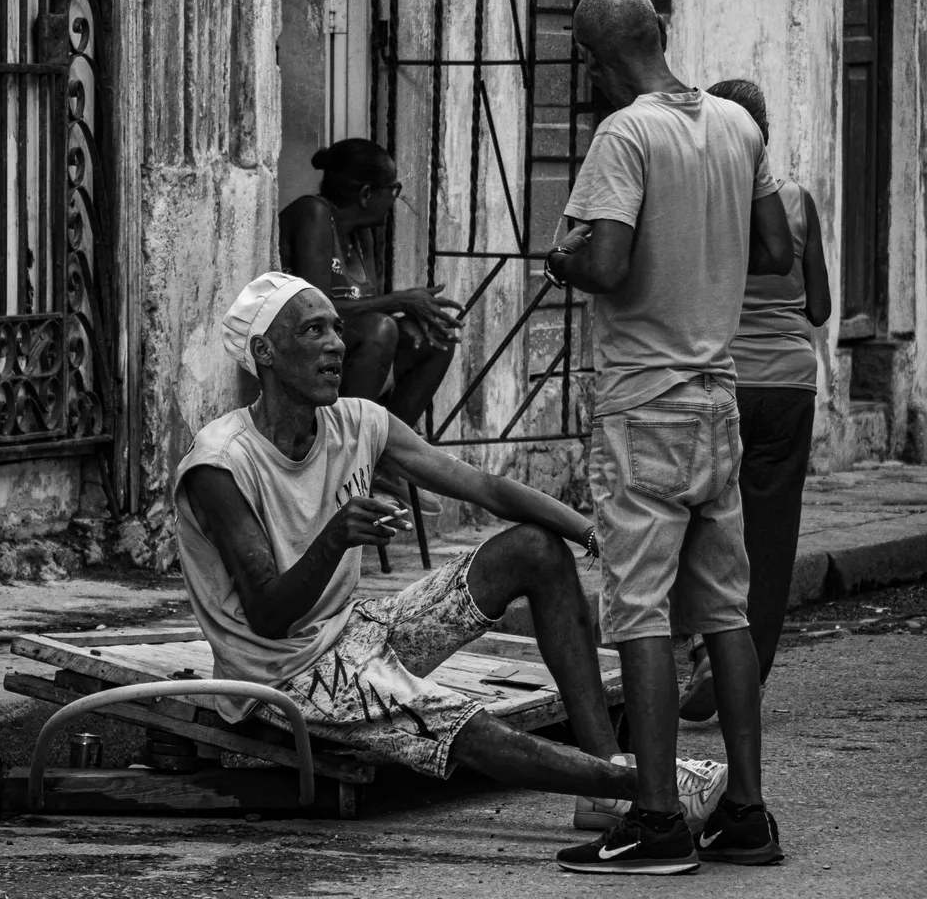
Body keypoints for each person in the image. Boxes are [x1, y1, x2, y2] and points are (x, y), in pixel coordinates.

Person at [174, 272, 728, 860]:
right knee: (456, 720)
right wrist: (336, 537)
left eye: (337, 328)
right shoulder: (221, 462)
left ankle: (606, 777)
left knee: (537, 549)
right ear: (264, 351)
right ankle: (646, 788)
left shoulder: (358, 421)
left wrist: (593, 535)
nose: (337, 344)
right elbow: (268, 616)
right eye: (314, 331)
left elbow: (482, 486)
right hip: (282, 677)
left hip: (354, 630)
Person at [544, 0, 794, 874]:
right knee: (725, 611)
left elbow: (607, 263)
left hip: (644, 402)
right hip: (718, 398)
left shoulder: (626, 134)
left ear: (598, 58)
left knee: (640, 613)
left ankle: (656, 822)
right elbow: (778, 250)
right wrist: (702, 258)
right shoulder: (737, 126)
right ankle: (746, 814)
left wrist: (562, 260)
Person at [678, 79, 832, 721]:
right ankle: (744, 671)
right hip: (791, 386)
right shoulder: (797, 201)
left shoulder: (700, 201)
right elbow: (819, 309)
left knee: (700, 522)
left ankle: (700, 652)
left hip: (722, 379)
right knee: (770, 538)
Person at [279, 139, 462, 512]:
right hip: (298, 360)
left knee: (435, 338)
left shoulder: (362, 233)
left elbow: (361, 310)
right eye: (393, 190)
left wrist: (410, 313)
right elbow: (313, 311)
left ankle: (381, 457)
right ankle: (350, 457)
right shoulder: (315, 214)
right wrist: (398, 302)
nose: (395, 200)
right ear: (366, 194)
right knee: (383, 328)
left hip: (341, 361)